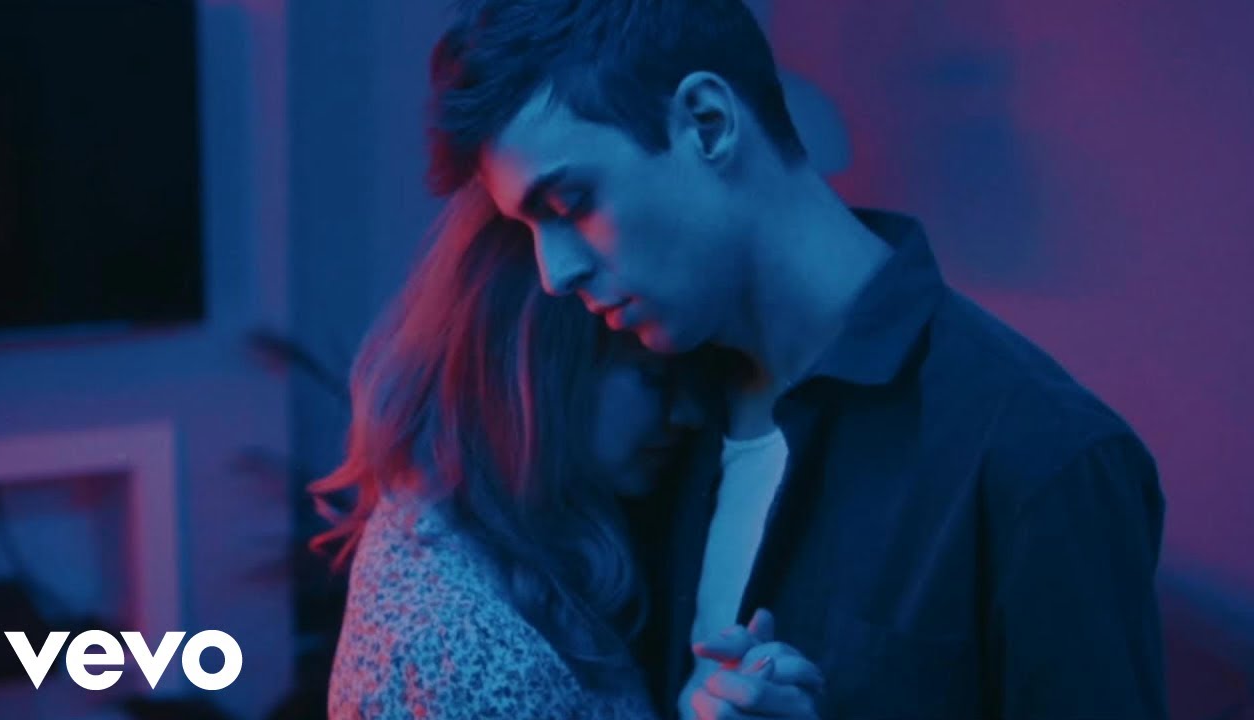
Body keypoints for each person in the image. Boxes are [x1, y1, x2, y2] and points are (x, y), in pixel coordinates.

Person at [423, 2, 1168, 719]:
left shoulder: (1040, 459)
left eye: (571, 204)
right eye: (531, 230)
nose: (554, 274)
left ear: (708, 123)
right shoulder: (656, 424)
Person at [312, 187, 813, 718]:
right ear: (537, 374)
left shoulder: (449, 519)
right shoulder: (473, 657)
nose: (689, 414)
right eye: (654, 377)